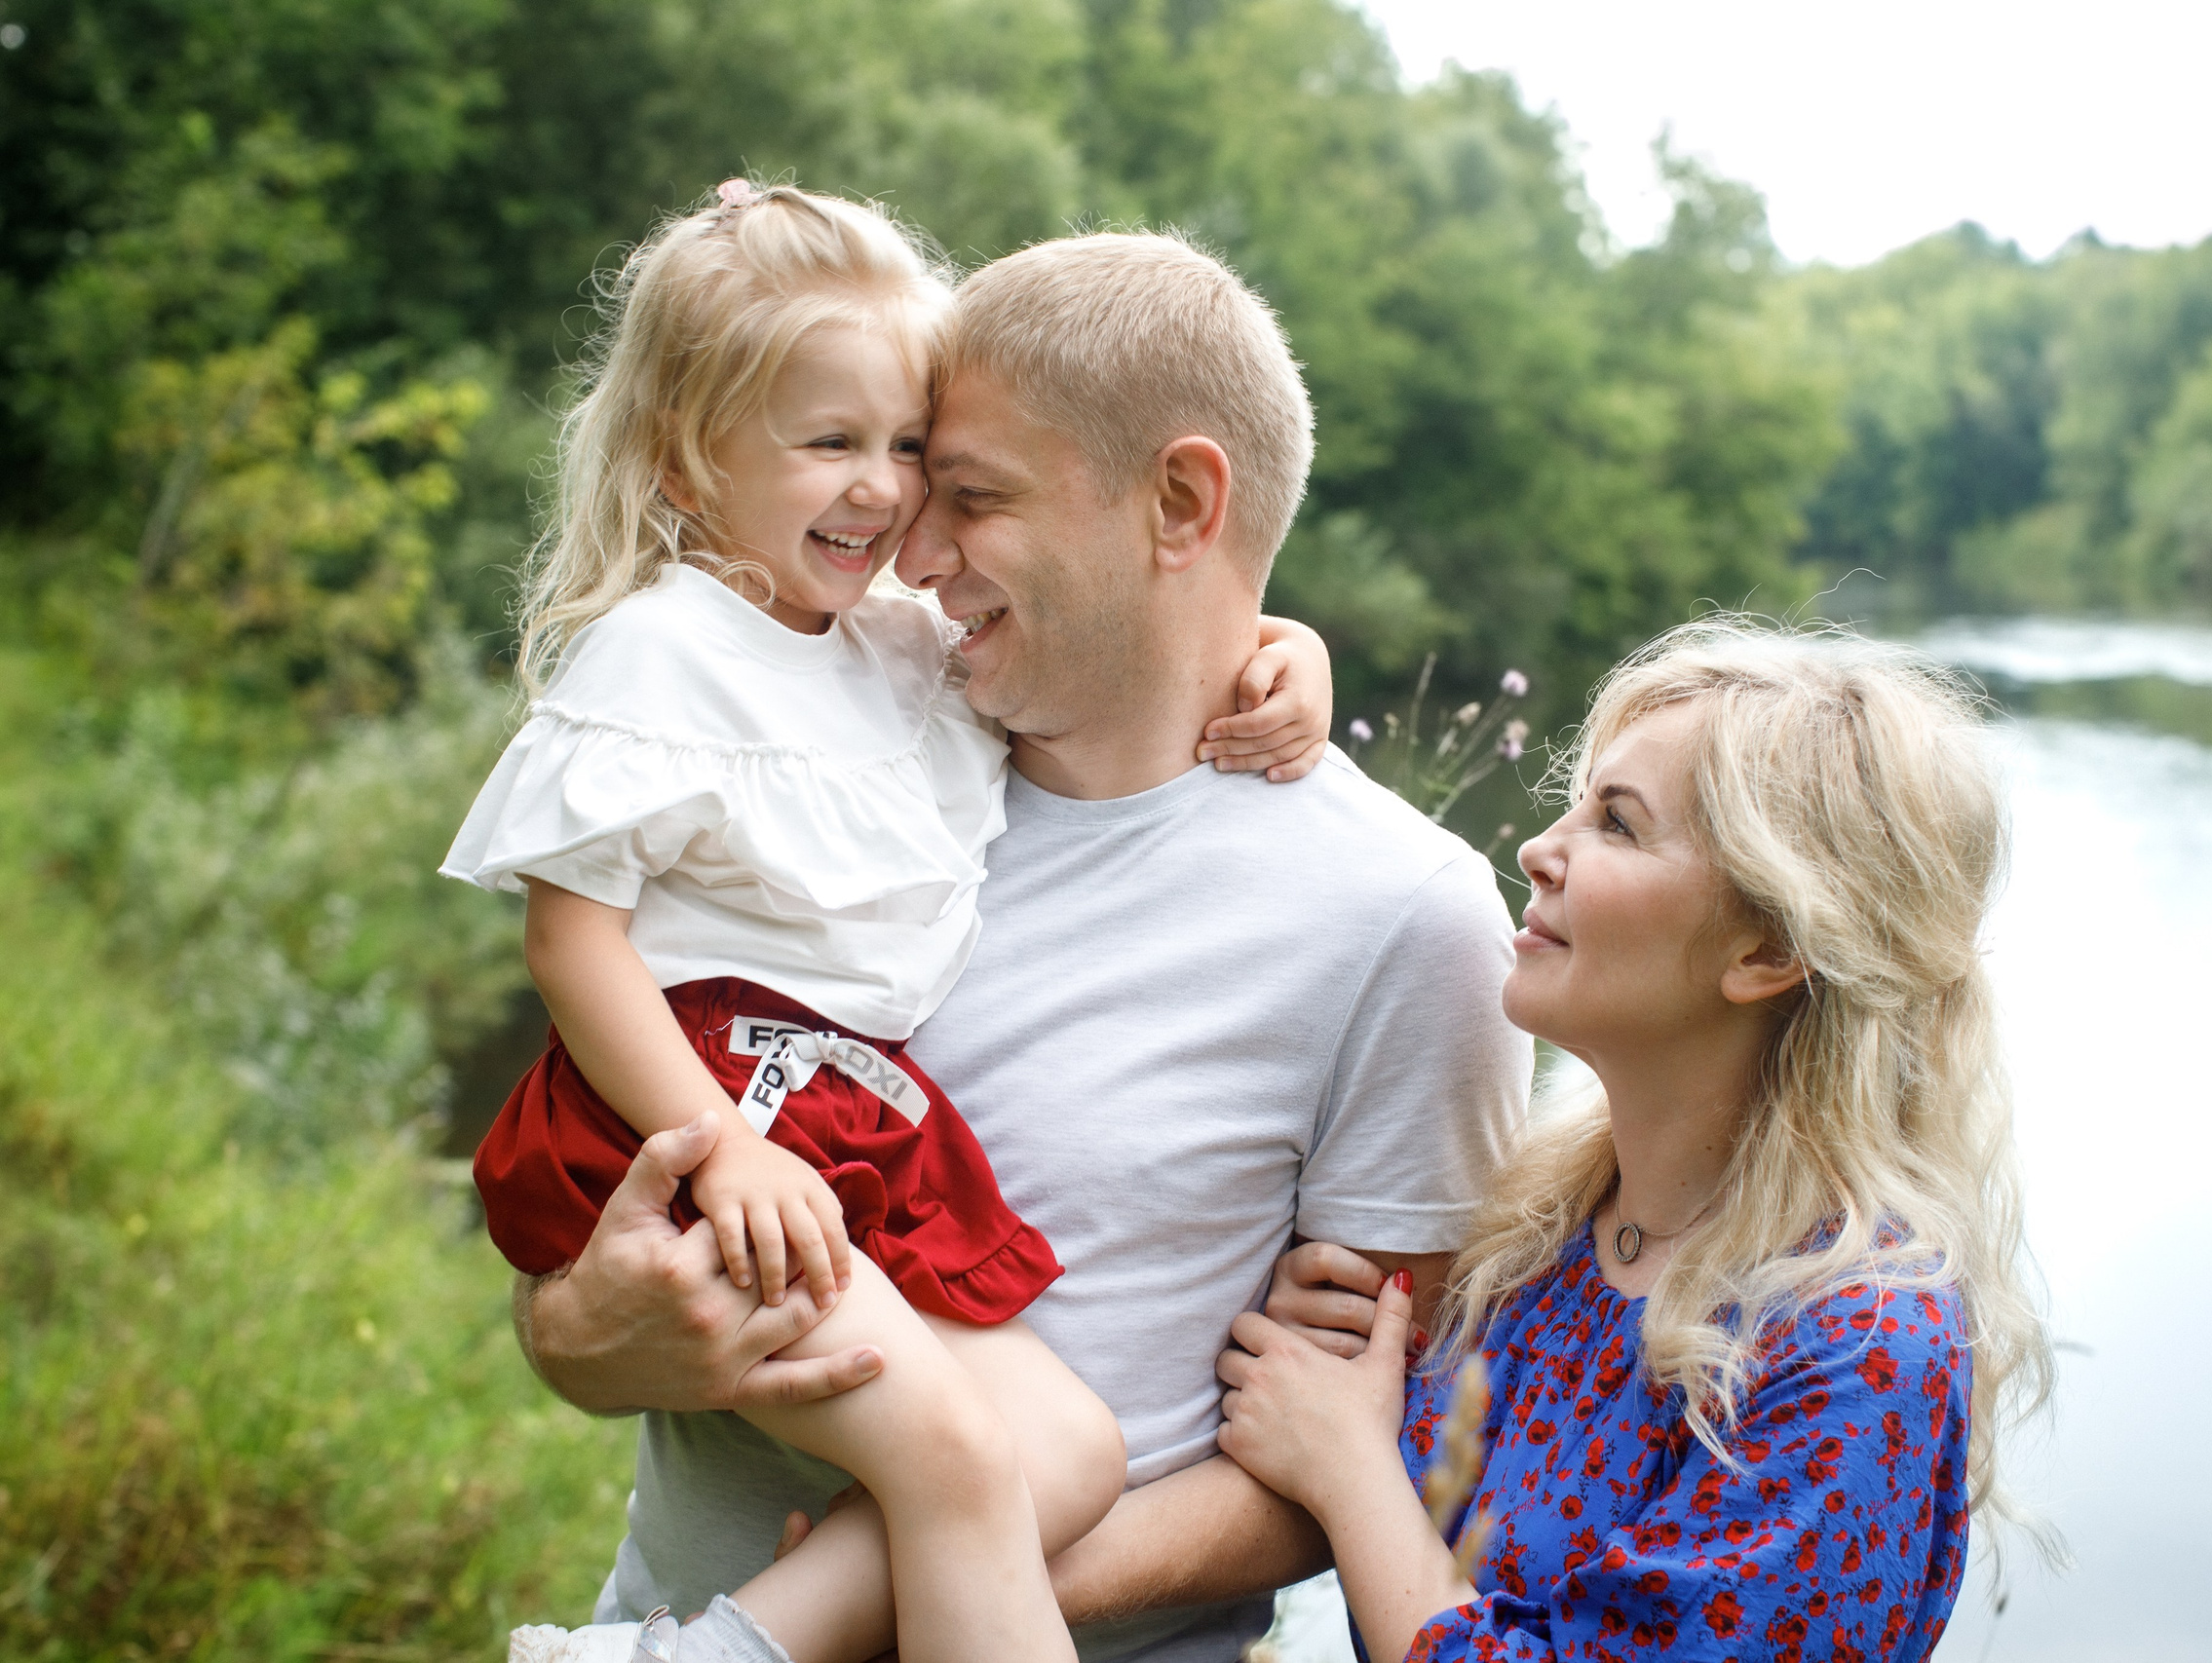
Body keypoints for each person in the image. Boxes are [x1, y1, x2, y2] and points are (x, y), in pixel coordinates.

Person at [512, 228, 1537, 1661]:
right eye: (904, 476)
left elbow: (1389, 1456)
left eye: (969, 495)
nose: (910, 551)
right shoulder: (854, 766)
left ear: (1180, 503)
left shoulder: (1405, 917)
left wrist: (917, 1584)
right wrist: (579, 1335)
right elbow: (610, 1204)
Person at [1216, 619, 2058, 1661]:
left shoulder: (1859, 1346)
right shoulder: (1538, 1235)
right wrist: (1343, 1358)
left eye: (1616, 823)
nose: (1538, 850)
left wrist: (1350, 1468)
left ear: (1766, 948)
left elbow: (1381, 1519)